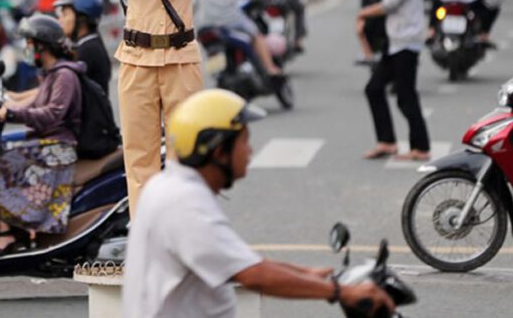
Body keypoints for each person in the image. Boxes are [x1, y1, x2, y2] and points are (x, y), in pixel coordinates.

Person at [59, 0, 354, 215]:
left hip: (181, 61)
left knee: (189, 149)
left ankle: (186, 226)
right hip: (136, 61)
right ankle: (145, 236)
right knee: (141, 158)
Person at [124, 89, 393, 317]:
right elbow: (252, 274)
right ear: (219, 152)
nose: (251, 150)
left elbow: (236, 261)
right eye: (244, 141)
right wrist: (340, 292)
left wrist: (306, 272)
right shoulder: (185, 204)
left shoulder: (169, 187)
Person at [0, 14, 82, 256]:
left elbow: (52, 114)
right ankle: (17, 227)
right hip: (45, 141)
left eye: (29, 43)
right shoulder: (51, 74)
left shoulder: (65, 75)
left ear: (42, 46)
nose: (26, 49)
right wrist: (8, 104)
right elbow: (34, 103)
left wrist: (14, 115)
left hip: (59, 147)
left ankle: (7, 233)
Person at [357, 0, 431, 161]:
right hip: (395, 40)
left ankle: (421, 147)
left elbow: (388, 4)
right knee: (374, 89)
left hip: (407, 41)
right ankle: (387, 142)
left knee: (405, 95)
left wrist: (362, 14)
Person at [196, 0, 283, 77]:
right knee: (255, 33)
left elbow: (195, 1)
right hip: (229, 19)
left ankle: (218, 74)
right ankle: (270, 68)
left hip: (205, 24)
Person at [54, 0, 111, 91]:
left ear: (81, 18)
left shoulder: (89, 49)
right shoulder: (88, 43)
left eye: (65, 14)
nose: (60, 20)